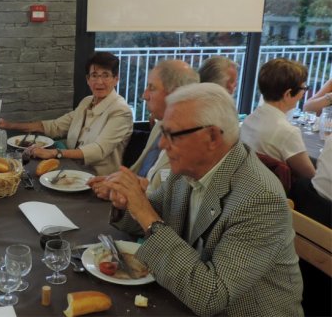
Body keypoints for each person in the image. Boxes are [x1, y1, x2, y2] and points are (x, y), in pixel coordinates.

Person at [101, 83, 303, 316]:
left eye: (172, 134)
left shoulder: (260, 199)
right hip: (183, 299)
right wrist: (126, 203)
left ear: (212, 137)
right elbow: (151, 215)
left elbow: (210, 296)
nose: (161, 144)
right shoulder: (188, 168)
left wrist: (144, 212)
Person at [0, 52, 133, 175]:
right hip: (70, 170)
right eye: (94, 75)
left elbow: (98, 150)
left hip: (100, 180)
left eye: (106, 75)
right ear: (88, 79)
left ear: (116, 79)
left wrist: (54, 153)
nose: (99, 82)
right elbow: (55, 126)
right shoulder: (86, 102)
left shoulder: (121, 111)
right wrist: (9, 125)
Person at [88, 59, 199, 197]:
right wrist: (112, 181)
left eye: (151, 88)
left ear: (176, 93)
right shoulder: (160, 125)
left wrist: (121, 192)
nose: (144, 95)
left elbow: (169, 199)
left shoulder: (193, 140)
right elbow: (140, 174)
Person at [241, 58, 316, 180]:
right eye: (304, 88)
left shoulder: (250, 119)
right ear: (287, 94)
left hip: (249, 183)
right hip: (277, 192)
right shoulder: (287, 132)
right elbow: (310, 176)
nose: (304, 93)